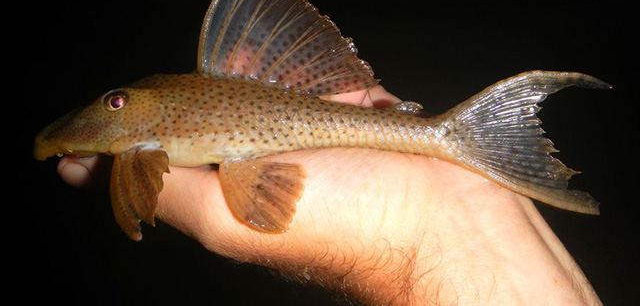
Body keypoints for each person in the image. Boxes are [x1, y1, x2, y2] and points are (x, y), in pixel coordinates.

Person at [57, 86, 602, 306]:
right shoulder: (133, 144)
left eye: (117, 102)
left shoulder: (134, 147)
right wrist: (450, 211)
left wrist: (439, 215)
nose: (115, 110)